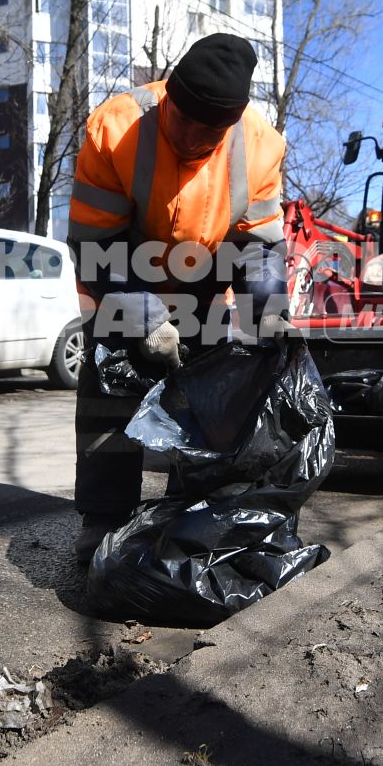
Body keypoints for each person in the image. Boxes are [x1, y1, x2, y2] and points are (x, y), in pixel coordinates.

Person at [65, 34, 288, 562]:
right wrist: (146, 319)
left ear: (232, 122)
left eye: (208, 129)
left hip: (203, 291)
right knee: (109, 402)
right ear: (169, 95)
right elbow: (94, 244)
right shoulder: (116, 128)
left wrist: (266, 323)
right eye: (181, 117)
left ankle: (189, 513)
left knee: (207, 407)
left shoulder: (260, 147)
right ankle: (104, 519)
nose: (190, 136)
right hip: (120, 285)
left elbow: (260, 251)